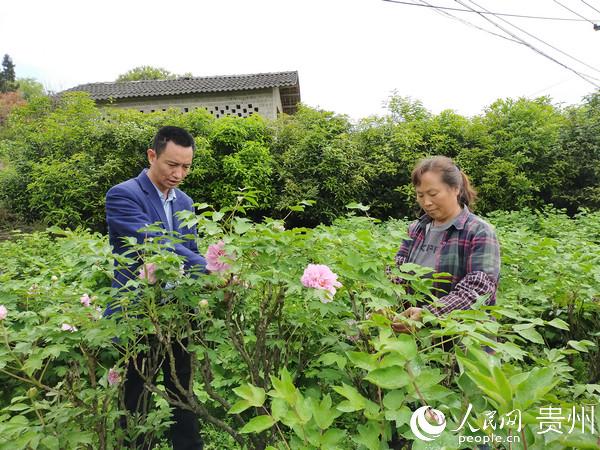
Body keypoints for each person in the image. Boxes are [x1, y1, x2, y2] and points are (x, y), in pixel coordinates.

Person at [105, 126, 206, 450]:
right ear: (152, 155)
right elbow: (157, 244)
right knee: (136, 396)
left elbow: (191, 248)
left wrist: (214, 280)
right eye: (171, 165)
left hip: (179, 311)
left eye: (186, 167)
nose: (178, 174)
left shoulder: (185, 202)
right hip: (139, 312)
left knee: (183, 391)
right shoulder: (123, 194)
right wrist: (209, 266)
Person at [391, 156, 500, 333]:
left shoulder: (478, 231)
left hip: (461, 339)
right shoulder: (415, 229)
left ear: (456, 188)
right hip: (416, 339)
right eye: (420, 195)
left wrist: (429, 314)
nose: (426, 202)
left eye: (433, 194)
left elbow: (479, 289)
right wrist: (384, 305)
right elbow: (396, 272)